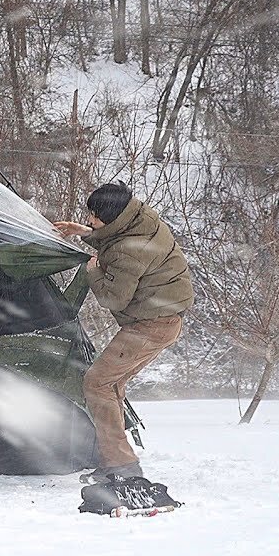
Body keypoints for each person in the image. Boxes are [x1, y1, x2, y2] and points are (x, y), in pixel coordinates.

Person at [53, 182, 193, 482]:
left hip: (150, 325)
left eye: (94, 216)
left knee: (96, 382)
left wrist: (93, 271)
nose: (90, 220)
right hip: (163, 320)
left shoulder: (130, 249)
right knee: (110, 384)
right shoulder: (141, 219)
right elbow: (118, 239)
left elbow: (112, 298)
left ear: (113, 215)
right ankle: (117, 461)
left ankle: (120, 465)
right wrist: (86, 233)